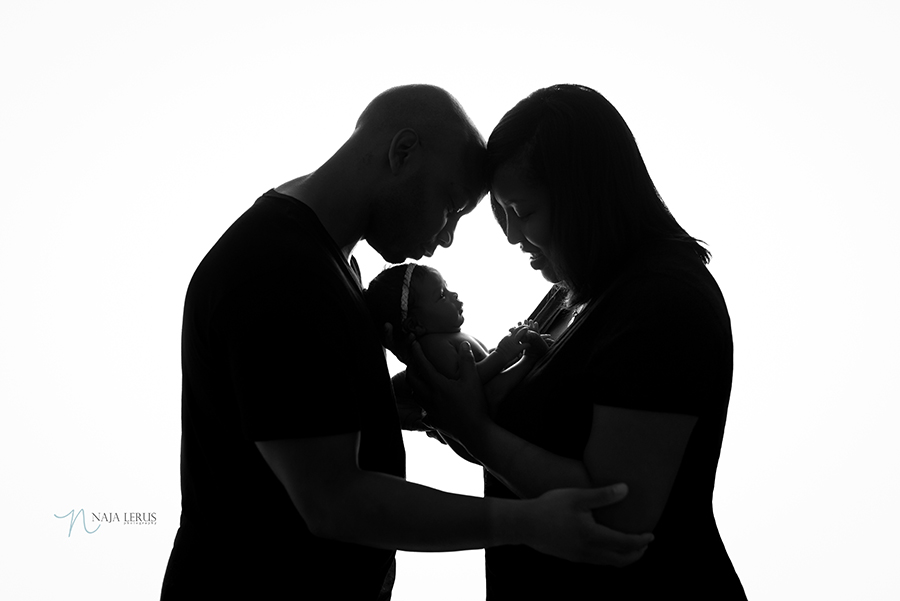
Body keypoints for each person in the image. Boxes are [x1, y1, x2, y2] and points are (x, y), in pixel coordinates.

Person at [160, 84, 654, 600]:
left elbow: (287, 422)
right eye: (451, 206)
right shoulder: (281, 271)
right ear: (403, 152)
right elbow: (333, 501)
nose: (445, 240)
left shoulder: (324, 260)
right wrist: (526, 521)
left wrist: (385, 407)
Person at [409, 84, 747, 598]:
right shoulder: (572, 293)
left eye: (522, 210)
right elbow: (523, 445)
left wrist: (473, 429)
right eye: (501, 212)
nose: (510, 235)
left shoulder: (664, 302)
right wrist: (447, 399)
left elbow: (618, 512)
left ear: (587, 196)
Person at [365, 262, 549, 413]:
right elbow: (469, 383)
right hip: (495, 406)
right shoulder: (432, 346)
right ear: (415, 325)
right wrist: (502, 353)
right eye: (442, 294)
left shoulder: (449, 336)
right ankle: (530, 358)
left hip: (504, 397)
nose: (454, 294)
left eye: (447, 287)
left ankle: (526, 354)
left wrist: (510, 350)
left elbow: (483, 361)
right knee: (492, 391)